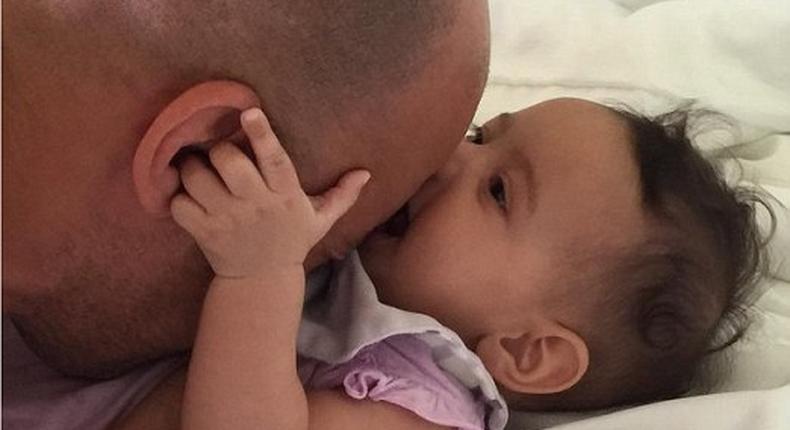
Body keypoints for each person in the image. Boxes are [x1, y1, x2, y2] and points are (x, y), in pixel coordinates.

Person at [114, 98, 769, 429]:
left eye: (498, 191)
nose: (454, 153)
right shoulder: (371, 275)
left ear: (529, 351)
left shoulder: (422, 404)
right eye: (484, 135)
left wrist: (259, 274)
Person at [2, 1, 490, 428]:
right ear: (199, 161)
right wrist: (265, 275)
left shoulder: (424, 394)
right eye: (325, 252)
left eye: (319, 258)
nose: (317, 290)